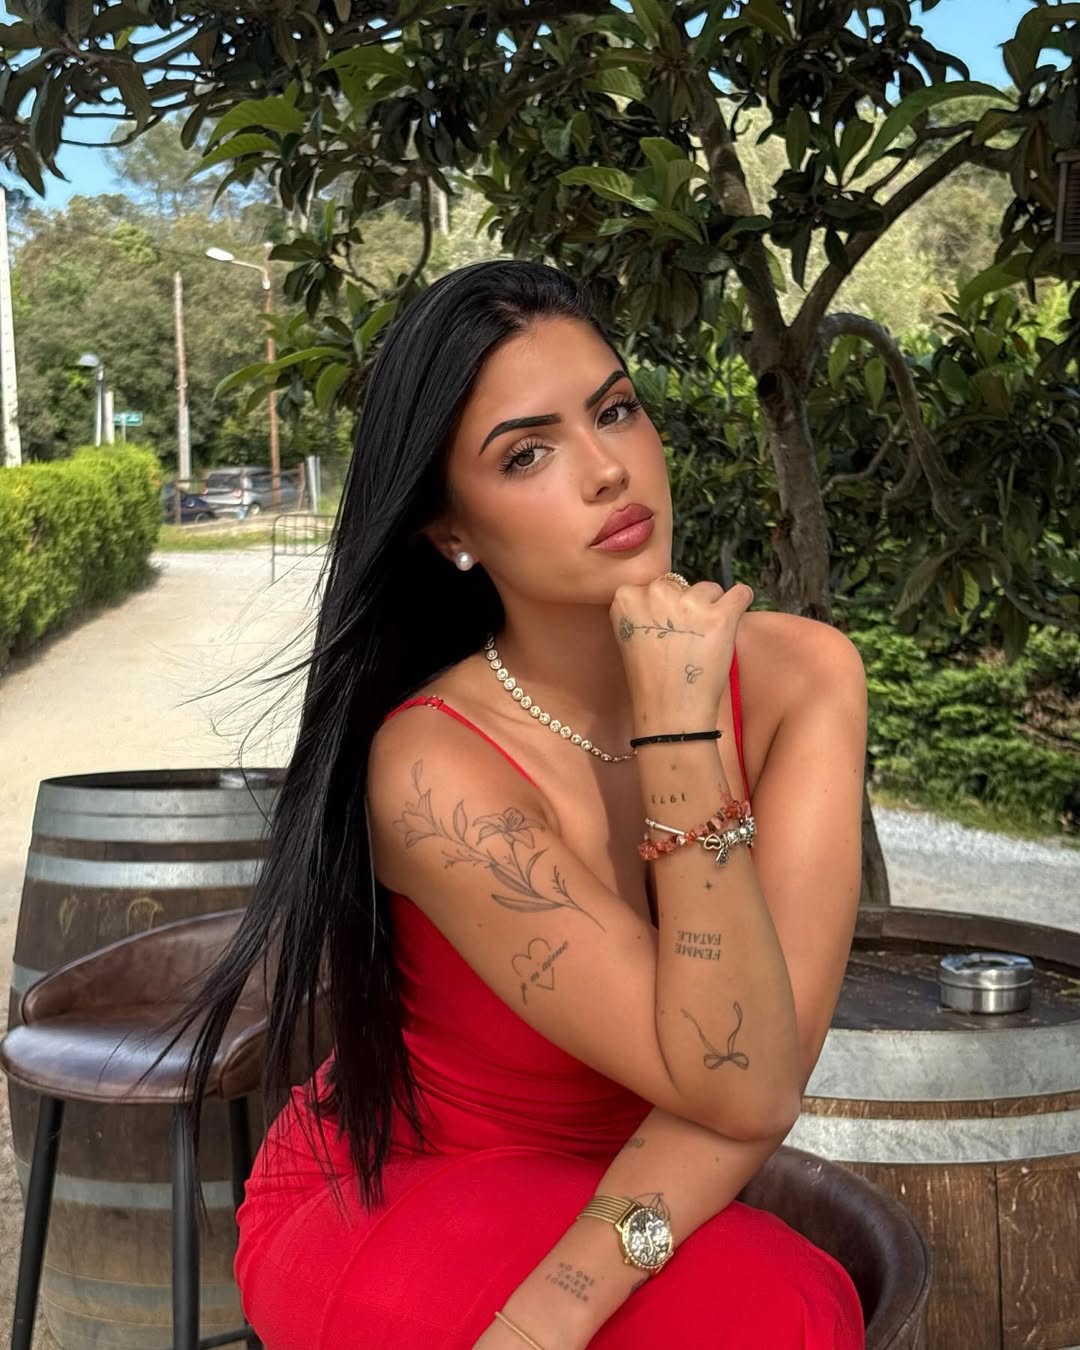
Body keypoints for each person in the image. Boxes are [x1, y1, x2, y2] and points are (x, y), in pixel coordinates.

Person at [188, 259, 869, 1349]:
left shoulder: (805, 678)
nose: (607, 469)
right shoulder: (432, 766)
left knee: (778, 1302)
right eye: (527, 453)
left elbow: (754, 1081)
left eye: (615, 410)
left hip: (645, 1175)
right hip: (406, 1189)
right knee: (771, 1308)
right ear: (451, 531)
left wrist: (557, 1304)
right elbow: (740, 1093)